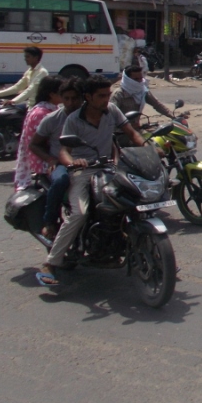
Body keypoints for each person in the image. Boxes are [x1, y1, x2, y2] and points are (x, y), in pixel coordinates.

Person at [36, 76, 145, 286]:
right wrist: (73, 163)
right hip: (83, 172)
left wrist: (149, 148)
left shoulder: (112, 110)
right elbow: (63, 151)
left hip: (109, 169)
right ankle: (51, 263)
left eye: (108, 95)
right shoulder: (73, 120)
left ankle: (148, 251)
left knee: (136, 201)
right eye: (101, 96)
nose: (106, 99)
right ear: (88, 97)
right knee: (80, 213)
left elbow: (131, 133)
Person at [29, 77, 84, 238]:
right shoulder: (52, 119)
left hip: (89, 162)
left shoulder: (91, 115)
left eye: (75, 98)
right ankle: (50, 222)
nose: (71, 102)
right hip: (61, 164)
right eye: (66, 98)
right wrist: (50, 159)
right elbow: (34, 144)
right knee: (61, 181)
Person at [13, 75, 62, 191]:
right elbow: (41, 143)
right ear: (52, 94)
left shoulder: (51, 109)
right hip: (44, 162)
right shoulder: (41, 113)